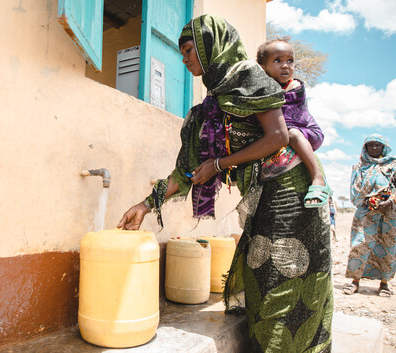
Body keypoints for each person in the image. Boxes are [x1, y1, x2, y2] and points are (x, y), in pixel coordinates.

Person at [118, 15, 333, 352]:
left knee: (286, 275)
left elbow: (278, 136)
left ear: (209, 47)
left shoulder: (249, 78)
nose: (185, 59)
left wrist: (219, 164)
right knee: (260, 271)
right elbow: (186, 171)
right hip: (263, 193)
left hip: (293, 189)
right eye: (183, 53)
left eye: (189, 50)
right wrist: (146, 206)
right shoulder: (211, 107)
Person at [256, 39, 331, 208]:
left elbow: (281, 118)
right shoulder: (262, 89)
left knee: (293, 134)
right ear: (261, 67)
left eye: (290, 61)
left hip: (307, 132)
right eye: (278, 61)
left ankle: (317, 178)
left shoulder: (294, 87)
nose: (285, 66)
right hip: (282, 134)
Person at [343, 134, 396, 297]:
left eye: (377, 145)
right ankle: (354, 281)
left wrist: (390, 201)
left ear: (384, 147)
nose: (373, 148)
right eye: (370, 145)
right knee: (360, 245)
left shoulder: (393, 166)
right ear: (365, 148)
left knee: (388, 246)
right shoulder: (358, 167)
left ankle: (384, 284)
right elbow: (354, 192)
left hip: (389, 213)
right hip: (364, 213)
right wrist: (369, 201)